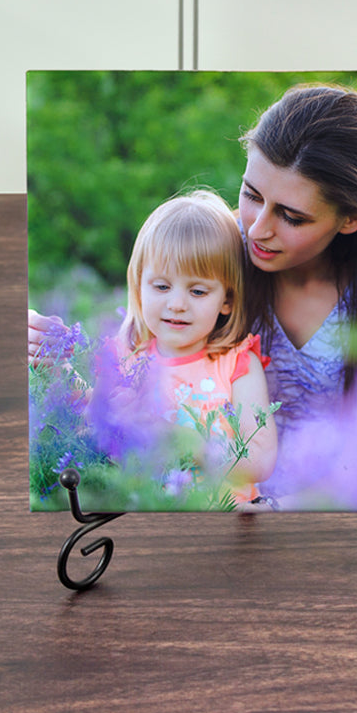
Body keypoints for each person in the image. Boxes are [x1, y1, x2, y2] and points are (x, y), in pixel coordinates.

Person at [29, 83, 357, 508]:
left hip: (353, 510)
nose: (257, 228)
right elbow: (129, 372)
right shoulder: (220, 248)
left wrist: (268, 514)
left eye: (291, 216)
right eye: (251, 194)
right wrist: (66, 360)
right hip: (229, 508)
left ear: (352, 217)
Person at [91, 189, 277, 507]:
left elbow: (260, 462)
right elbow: (94, 440)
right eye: (161, 286)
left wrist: (183, 441)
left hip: (225, 521)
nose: (176, 304)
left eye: (198, 291)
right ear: (139, 287)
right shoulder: (126, 360)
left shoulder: (236, 364)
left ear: (227, 301)